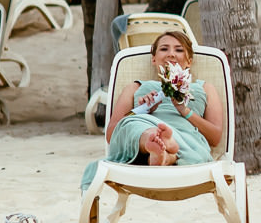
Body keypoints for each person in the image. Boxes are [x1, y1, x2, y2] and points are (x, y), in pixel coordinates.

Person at [83, 25, 224, 191]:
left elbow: (215, 137)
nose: (171, 53)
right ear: (154, 59)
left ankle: (162, 152)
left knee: (160, 136)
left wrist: (185, 111)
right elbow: (112, 134)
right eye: (164, 49)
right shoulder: (136, 88)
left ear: (189, 61)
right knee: (139, 126)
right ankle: (159, 143)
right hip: (142, 127)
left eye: (178, 50)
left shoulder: (204, 88)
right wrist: (142, 111)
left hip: (186, 137)